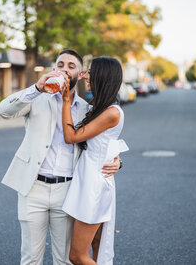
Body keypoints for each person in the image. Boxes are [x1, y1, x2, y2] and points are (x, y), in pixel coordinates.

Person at [0, 49, 121, 265]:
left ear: (80, 74)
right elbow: (4, 111)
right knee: (30, 259)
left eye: (71, 66)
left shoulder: (87, 110)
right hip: (32, 188)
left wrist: (117, 161)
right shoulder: (36, 99)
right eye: (60, 64)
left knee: (64, 260)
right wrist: (37, 88)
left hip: (67, 191)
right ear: (54, 69)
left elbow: (101, 143)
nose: (65, 69)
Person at [61, 56, 128, 265]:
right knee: (98, 249)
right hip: (90, 180)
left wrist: (65, 100)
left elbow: (71, 137)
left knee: (77, 256)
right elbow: (106, 144)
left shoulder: (111, 112)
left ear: (102, 76)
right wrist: (117, 160)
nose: (86, 76)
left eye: (90, 72)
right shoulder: (100, 108)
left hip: (93, 187)